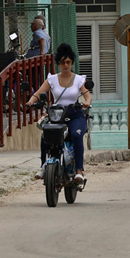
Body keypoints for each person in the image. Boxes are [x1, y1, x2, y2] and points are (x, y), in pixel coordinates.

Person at [26, 43, 92, 183]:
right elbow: (38, 93)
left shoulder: (79, 80)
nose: (66, 65)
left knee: (75, 135)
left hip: (75, 114)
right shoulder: (52, 79)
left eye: (68, 62)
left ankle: (79, 171)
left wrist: (86, 102)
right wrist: (30, 101)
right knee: (45, 137)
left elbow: (87, 95)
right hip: (57, 115)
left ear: (72, 62)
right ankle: (44, 166)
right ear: (58, 64)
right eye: (63, 62)